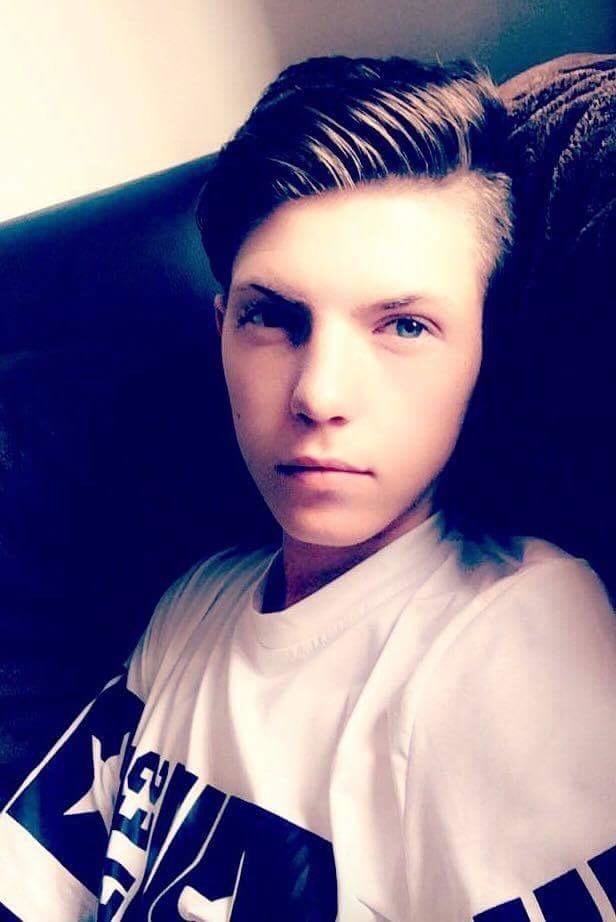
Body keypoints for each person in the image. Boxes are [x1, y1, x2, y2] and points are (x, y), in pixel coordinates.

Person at [0, 55, 615, 922]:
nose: (319, 395)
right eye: (272, 317)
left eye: (406, 325)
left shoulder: (513, 640)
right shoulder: (195, 605)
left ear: (486, 350)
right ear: (220, 332)